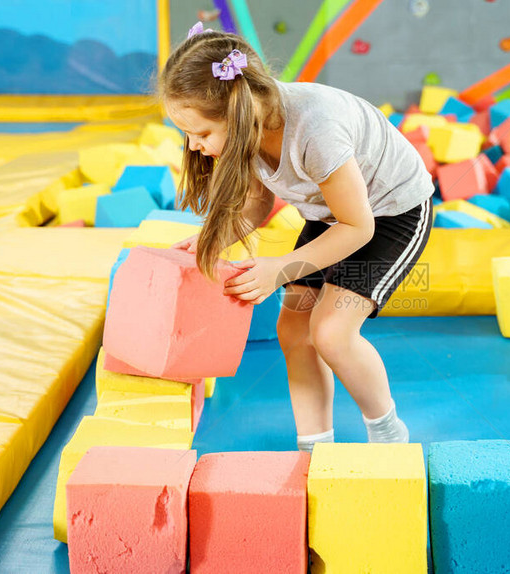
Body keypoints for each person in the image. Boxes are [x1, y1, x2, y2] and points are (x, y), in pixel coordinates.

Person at [160, 23, 433, 453]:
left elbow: (359, 227)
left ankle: (388, 434)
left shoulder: (316, 130)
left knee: (332, 331)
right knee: (294, 329)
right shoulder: (248, 124)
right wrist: (208, 244)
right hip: (334, 213)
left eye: (201, 134)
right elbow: (256, 204)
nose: (193, 147)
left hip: (391, 212)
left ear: (237, 113)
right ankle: (314, 446)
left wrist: (279, 269)